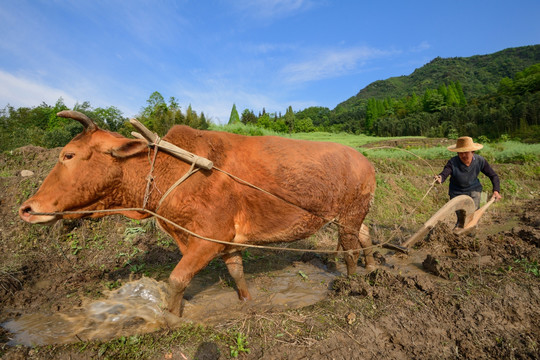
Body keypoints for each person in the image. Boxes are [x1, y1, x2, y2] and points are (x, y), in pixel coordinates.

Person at [435, 136, 502, 228]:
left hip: (474, 190)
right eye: (460, 153)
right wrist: (440, 178)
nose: (463, 156)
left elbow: (493, 175)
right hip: (456, 192)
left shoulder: (480, 161)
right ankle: (460, 230)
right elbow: (445, 173)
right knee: (461, 218)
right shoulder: (453, 162)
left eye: (466, 152)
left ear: (472, 152)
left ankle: (472, 233)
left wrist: (496, 191)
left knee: (472, 216)